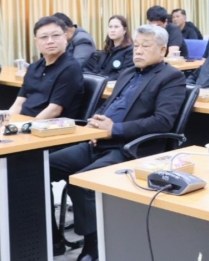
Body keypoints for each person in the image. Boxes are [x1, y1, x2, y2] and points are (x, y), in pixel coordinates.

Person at [49, 24, 186, 259]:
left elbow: (163, 121)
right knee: (42, 168)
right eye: (136, 46)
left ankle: (94, 248)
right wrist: (95, 123)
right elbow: (108, 106)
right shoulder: (128, 72)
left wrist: (114, 129)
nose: (138, 51)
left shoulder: (171, 77)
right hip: (98, 142)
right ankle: (51, 238)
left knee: (83, 182)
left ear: (163, 50)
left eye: (145, 46)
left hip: (131, 148)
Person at [9, 16, 84, 119]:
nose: (50, 41)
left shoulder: (71, 68)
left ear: (65, 38)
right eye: (44, 37)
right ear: (36, 42)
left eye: (55, 35)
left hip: (49, 125)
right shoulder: (33, 67)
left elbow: (54, 110)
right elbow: (18, 103)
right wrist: (8, 123)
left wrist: (27, 126)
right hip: (25, 122)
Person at [83, 15, 134, 80]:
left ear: (125, 30)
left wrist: (101, 81)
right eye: (110, 27)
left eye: (116, 27)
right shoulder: (107, 50)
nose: (112, 30)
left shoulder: (130, 50)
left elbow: (123, 74)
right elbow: (93, 70)